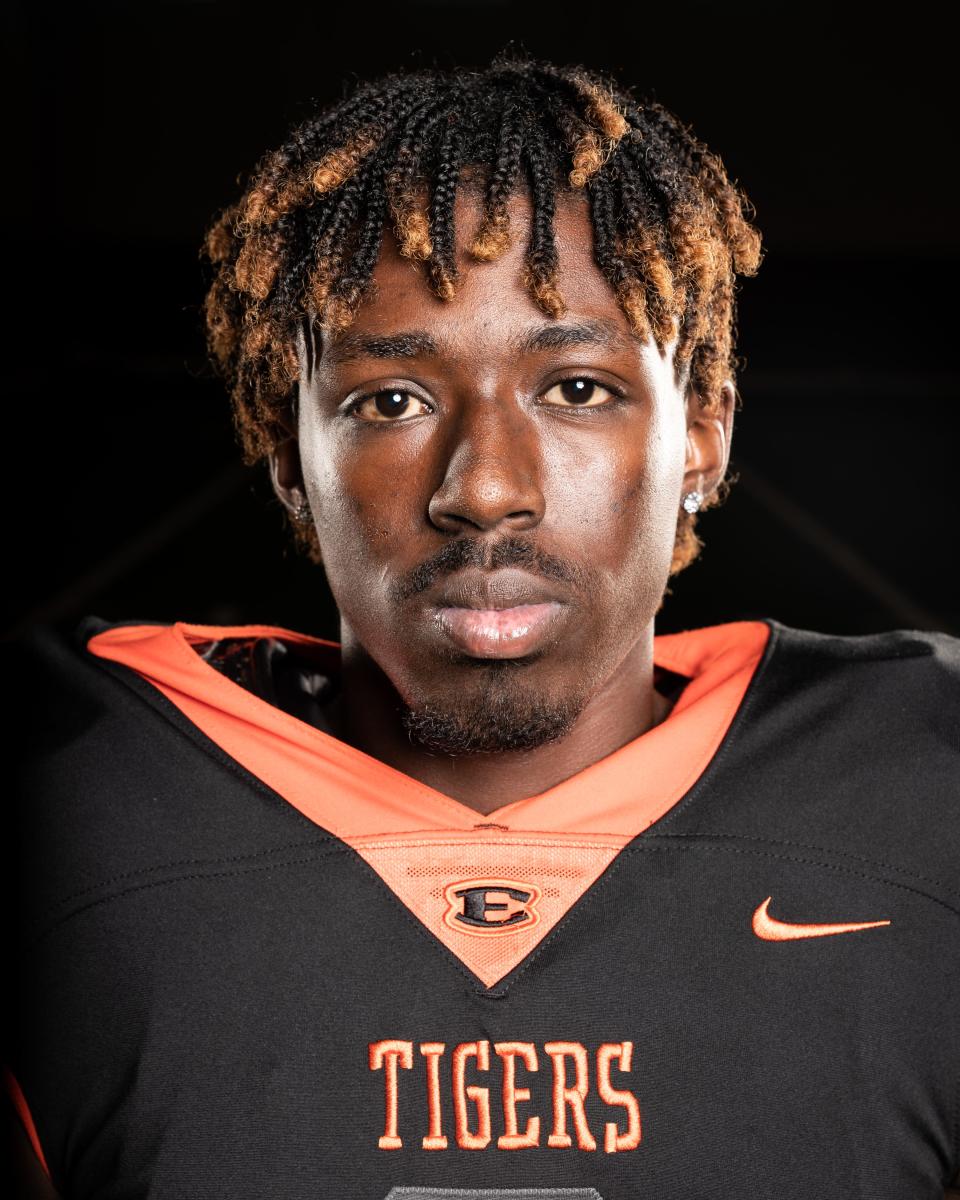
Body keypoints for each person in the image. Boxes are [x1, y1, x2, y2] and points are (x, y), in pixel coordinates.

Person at [7, 50, 959, 1200]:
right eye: (391, 401)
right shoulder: (68, 795)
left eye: (577, 389)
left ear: (703, 426)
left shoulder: (924, 792)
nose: (486, 487)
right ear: (286, 457)